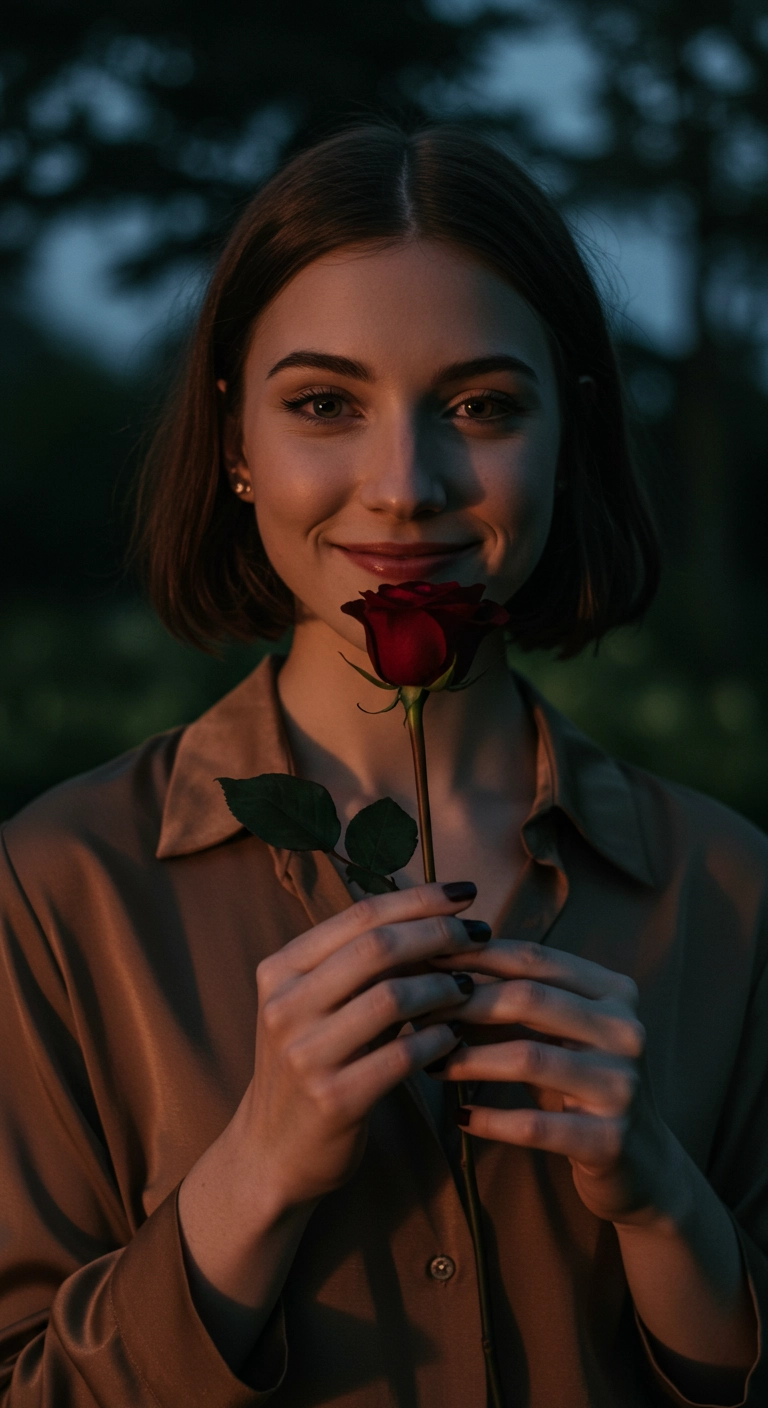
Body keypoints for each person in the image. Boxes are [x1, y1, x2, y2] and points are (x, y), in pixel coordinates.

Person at [1, 122, 766, 1408]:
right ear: (236, 439)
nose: (405, 486)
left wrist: (664, 1205)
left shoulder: (731, 894)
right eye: (322, 404)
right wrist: (255, 1171)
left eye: (482, 405)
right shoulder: (57, 889)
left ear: (563, 435)